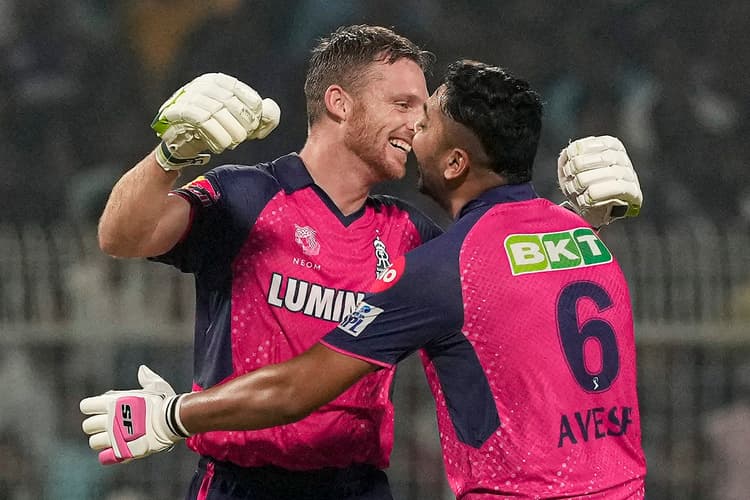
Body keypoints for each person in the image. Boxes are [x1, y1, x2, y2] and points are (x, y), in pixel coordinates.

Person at [89, 24, 642, 500]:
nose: (417, 123)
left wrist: (575, 221)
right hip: (242, 483)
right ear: (340, 103)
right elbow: (121, 237)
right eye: (403, 105)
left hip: (357, 486)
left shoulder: (410, 233)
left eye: (424, 110)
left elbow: (498, 283)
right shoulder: (249, 197)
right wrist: (170, 157)